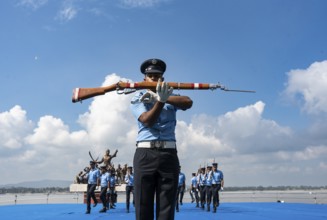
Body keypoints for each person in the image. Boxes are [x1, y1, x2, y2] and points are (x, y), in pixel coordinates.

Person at [130, 58, 193, 220]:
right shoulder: (138, 96)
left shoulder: (169, 95)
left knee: (167, 206)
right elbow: (147, 120)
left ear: (162, 79)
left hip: (168, 153)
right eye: (151, 76)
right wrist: (160, 101)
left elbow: (187, 102)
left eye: (157, 76)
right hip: (145, 153)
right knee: (143, 205)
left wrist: (163, 97)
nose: (154, 78)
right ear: (145, 79)